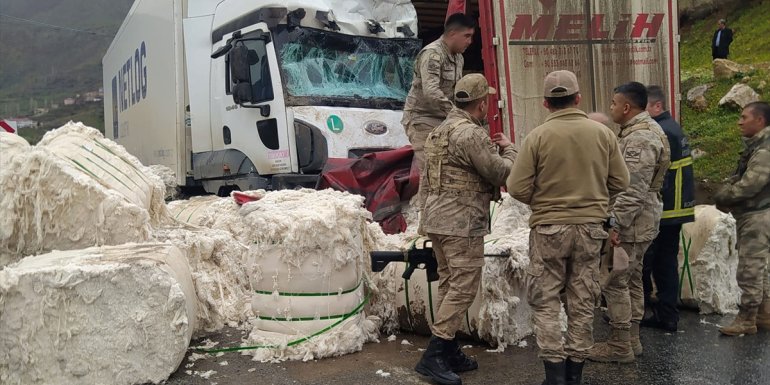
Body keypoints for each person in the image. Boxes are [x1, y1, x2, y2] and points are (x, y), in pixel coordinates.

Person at [507, 70, 630, 385]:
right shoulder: (603, 134)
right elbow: (622, 181)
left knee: (545, 299)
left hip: (548, 228)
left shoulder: (537, 137)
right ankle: (575, 373)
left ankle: (555, 375)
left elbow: (517, 187)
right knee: (582, 297)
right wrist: (595, 202)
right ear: (578, 99)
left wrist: (547, 201)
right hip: (590, 229)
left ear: (546, 103)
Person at [415, 73, 516, 385]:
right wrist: (509, 150)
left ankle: (449, 350)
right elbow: (499, 172)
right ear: (482, 104)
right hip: (461, 222)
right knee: (463, 286)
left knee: (449, 283)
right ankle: (433, 355)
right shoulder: (470, 134)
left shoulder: (438, 132)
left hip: (435, 220)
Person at [588, 82, 670, 363]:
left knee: (615, 279)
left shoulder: (639, 139)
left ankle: (619, 343)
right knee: (633, 277)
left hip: (633, 220)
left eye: (613, 103)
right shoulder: (641, 131)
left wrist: (615, 224)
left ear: (626, 107)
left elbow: (632, 190)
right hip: (642, 217)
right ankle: (632, 339)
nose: (610, 108)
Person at [641, 85, 695, 332]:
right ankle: (668, 315)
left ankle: (659, 314)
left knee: (655, 264)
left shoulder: (659, 130)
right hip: (675, 209)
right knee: (667, 264)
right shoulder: (673, 128)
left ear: (657, 106)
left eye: (645, 108)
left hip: (664, 209)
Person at [714, 101, 770, 336]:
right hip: (758, 214)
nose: (739, 121)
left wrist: (724, 195)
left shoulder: (765, 150)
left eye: (744, 117)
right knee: (761, 268)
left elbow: (752, 184)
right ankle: (764, 314)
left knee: (749, 268)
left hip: (757, 215)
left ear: (759, 121)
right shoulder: (758, 147)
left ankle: (747, 319)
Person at [402, 13, 475, 172]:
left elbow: (457, 91)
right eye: (467, 36)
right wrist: (457, 114)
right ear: (452, 34)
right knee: (431, 171)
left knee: (450, 168)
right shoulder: (433, 54)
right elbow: (431, 91)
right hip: (422, 117)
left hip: (444, 119)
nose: (470, 41)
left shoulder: (459, 58)